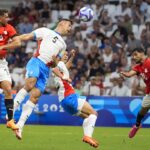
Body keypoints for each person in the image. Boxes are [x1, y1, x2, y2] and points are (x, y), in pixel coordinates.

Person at [0, 18, 73, 139]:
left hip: (46, 70)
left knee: (35, 97)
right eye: (69, 25)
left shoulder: (63, 45)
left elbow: (56, 64)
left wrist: (57, 63)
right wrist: (14, 39)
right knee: (29, 84)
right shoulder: (45, 31)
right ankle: (11, 113)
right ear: (62, 23)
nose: (70, 29)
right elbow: (28, 36)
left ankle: (20, 127)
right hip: (37, 61)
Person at [52, 50, 99, 148]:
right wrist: (64, 78)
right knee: (94, 114)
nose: (66, 56)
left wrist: (72, 56)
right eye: (64, 54)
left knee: (87, 117)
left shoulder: (61, 66)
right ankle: (87, 136)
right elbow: (54, 70)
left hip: (63, 102)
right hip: (70, 96)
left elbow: (66, 66)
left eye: (66, 54)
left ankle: (87, 137)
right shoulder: (59, 65)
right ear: (58, 57)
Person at [120, 47, 150, 138]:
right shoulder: (138, 67)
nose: (134, 57)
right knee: (142, 111)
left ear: (142, 53)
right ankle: (137, 125)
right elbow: (130, 74)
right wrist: (125, 74)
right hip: (149, 93)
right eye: (133, 55)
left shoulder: (149, 63)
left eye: (136, 54)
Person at [0, 9, 20, 130]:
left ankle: (10, 120)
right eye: (5, 17)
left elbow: (17, 43)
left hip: (1, 63)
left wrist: (4, 46)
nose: (7, 19)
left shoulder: (9, 28)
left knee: (8, 88)